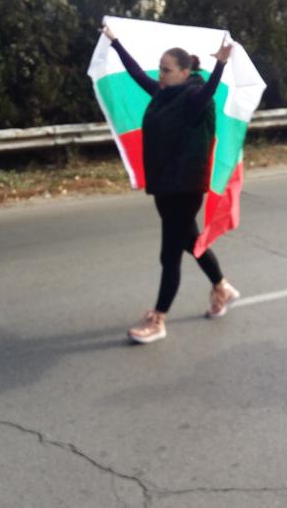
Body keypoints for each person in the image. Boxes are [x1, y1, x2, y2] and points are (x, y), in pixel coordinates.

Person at [101, 22, 240, 344]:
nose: (160, 74)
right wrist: (115, 42)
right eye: (160, 69)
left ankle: (159, 319)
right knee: (191, 242)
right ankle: (221, 287)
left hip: (184, 189)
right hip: (164, 185)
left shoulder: (193, 99)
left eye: (166, 70)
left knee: (170, 254)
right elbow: (136, 74)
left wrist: (220, 64)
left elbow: (209, 91)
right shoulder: (163, 94)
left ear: (184, 72)